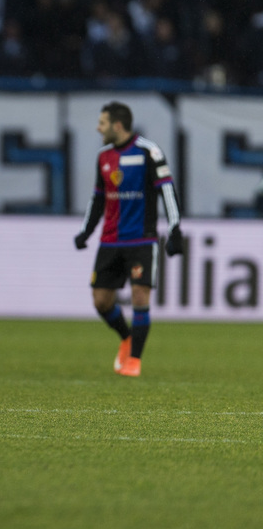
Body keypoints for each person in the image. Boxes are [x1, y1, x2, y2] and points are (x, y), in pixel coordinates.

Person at [74, 101, 184, 377]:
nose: (98, 128)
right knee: (101, 301)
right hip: (110, 242)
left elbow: (167, 190)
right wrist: (86, 231)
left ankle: (134, 360)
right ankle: (126, 337)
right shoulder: (103, 157)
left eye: (102, 123)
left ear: (117, 125)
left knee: (139, 294)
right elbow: (97, 199)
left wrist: (175, 228)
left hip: (141, 240)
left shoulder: (149, 151)